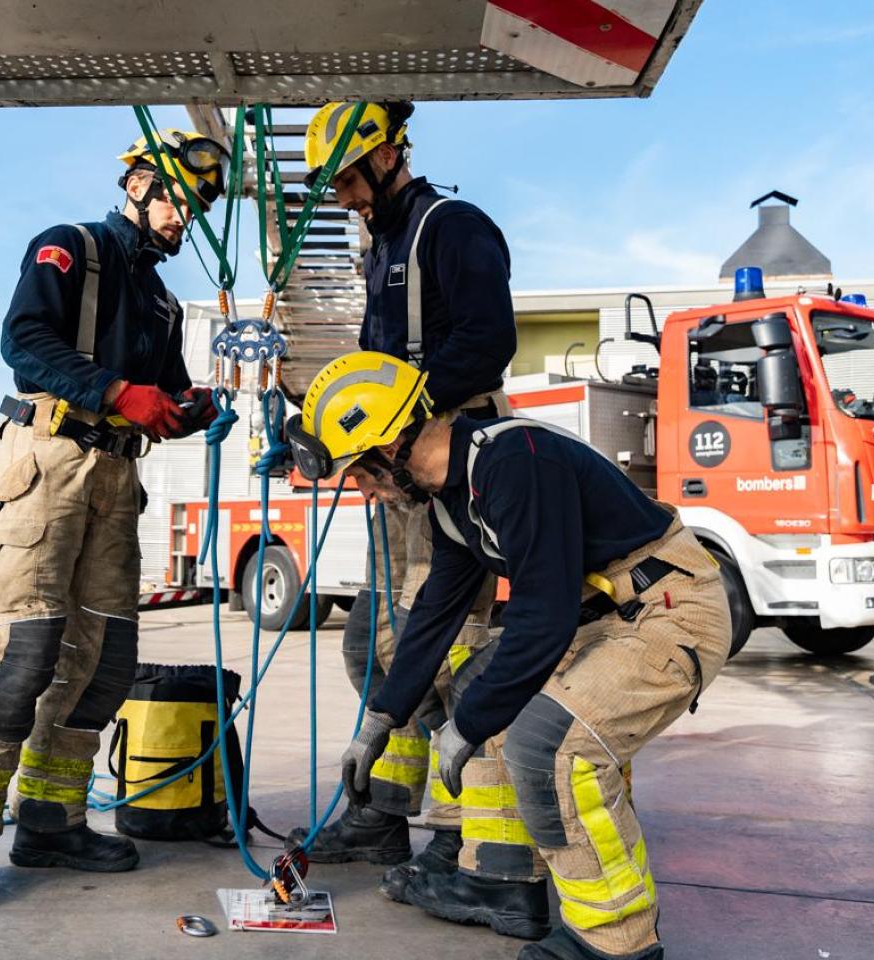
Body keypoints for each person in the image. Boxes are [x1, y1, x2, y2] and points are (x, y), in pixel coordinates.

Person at [285, 351, 730, 960]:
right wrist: (379, 721)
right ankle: (505, 883)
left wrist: (466, 728)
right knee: (478, 688)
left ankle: (616, 945)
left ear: (390, 449)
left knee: (552, 746)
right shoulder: (452, 497)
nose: (361, 490)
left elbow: (540, 619)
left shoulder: (516, 462)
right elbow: (436, 615)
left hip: (669, 608)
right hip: (605, 616)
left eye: (358, 473)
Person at [0, 129, 224, 910]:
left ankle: (50, 822)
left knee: (105, 661)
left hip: (117, 483)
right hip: (47, 465)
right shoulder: (70, 249)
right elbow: (23, 344)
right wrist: (119, 393)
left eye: (196, 209)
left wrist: (195, 412)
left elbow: (167, 394)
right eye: (178, 201)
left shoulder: (159, 300)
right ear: (139, 185)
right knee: (25, 652)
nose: (182, 220)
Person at [299, 100, 525, 916]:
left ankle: (457, 832)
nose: (347, 200)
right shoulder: (384, 247)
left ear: (390, 155)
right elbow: (373, 369)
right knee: (375, 646)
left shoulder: (451, 226)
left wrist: (400, 414)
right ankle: (385, 813)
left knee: (448, 648)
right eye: (339, 190)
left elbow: (489, 342)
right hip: (400, 471)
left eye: (353, 180)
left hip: (446, 459)